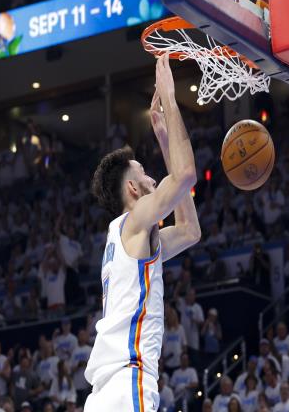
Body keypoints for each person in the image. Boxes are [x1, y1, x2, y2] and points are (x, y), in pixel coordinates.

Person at [84, 55, 201, 411]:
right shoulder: (134, 221)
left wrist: (164, 138)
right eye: (145, 173)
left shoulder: (126, 238)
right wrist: (170, 98)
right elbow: (185, 176)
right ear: (133, 189)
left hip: (104, 395)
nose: (153, 178)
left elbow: (190, 231)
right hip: (127, 382)